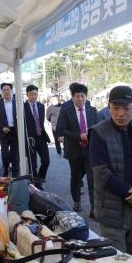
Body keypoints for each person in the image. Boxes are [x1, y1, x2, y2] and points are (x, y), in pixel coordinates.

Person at [90, 85, 132, 263]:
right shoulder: (98, 132)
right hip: (112, 206)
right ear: (108, 106)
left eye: (126, 108)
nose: (121, 113)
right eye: (116, 107)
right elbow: (101, 173)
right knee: (117, 262)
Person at [57, 83, 98, 214]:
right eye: (77, 96)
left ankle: (94, 207)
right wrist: (78, 136)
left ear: (86, 96)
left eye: (83, 96)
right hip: (74, 150)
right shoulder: (66, 111)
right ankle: (77, 202)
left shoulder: (92, 110)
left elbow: (97, 128)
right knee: (75, 177)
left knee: (92, 179)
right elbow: (62, 129)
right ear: (73, 97)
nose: (80, 99)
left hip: (90, 150)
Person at [23, 85, 51, 185]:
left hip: (41, 137)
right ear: (27, 95)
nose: (33, 96)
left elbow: (41, 122)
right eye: (31, 94)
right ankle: (35, 185)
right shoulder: (22, 107)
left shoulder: (41, 106)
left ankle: (39, 180)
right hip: (30, 139)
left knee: (46, 162)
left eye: (35, 94)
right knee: (32, 164)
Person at [0, 82, 20, 177]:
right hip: (4, 132)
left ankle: (16, 175)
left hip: (15, 131)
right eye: (4, 90)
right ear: (2, 91)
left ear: (11, 91)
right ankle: (6, 171)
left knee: (15, 155)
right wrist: (2, 127)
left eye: (8, 89)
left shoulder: (17, 102)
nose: (6, 92)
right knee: (4, 154)